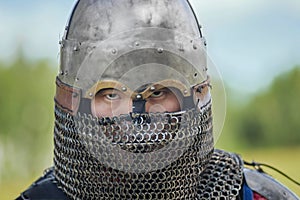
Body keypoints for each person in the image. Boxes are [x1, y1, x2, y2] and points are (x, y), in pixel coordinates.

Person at [17, 0, 299, 199]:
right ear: (71, 103)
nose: (134, 116)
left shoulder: (251, 196)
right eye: (110, 94)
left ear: (197, 96)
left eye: (158, 92)